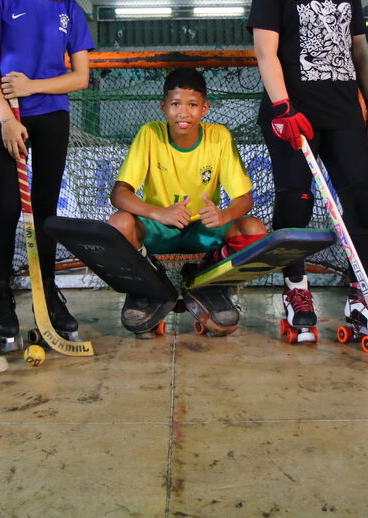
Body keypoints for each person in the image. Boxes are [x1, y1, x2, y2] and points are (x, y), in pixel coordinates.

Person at [247, 0, 368, 343]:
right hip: (292, 112)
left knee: (364, 202)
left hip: (344, 111)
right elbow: (265, 52)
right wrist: (284, 108)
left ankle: (361, 294)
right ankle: (296, 291)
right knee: (298, 201)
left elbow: (359, 51)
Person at [0, 0, 94, 350]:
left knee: (44, 212)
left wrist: (33, 86)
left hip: (51, 118)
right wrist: (7, 116)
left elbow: (80, 78)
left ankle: (47, 293)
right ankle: (1, 292)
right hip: (10, 118)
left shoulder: (69, 9)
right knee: (8, 206)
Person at [107, 68, 267, 335]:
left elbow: (244, 198)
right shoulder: (150, 134)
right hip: (159, 227)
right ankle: (146, 287)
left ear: (205, 108)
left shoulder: (219, 136)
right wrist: (160, 213)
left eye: (192, 105)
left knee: (255, 231)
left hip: (201, 228)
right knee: (118, 224)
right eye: (175, 104)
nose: (184, 112)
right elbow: (119, 194)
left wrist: (224, 216)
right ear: (163, 107)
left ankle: (208, 281)